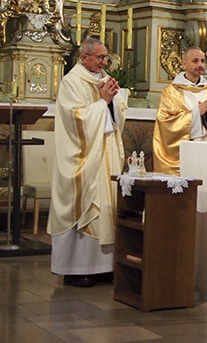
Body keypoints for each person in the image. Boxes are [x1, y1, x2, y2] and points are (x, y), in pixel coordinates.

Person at [47, 37, 127, 288]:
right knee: (84, 204)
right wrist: (103, 102)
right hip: (82, 157)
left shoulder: (103, 80)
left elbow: (118, 117)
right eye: (100, 57)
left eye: (105, 57)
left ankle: (103, 267)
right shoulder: (72, 82)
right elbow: (75, 119)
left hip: (106, 154)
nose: (105, 62)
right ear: (84, 58)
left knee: (106, 205)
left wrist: (113, 102)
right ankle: (75, 269)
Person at [153, 46, 207, 175]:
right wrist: (196, 113)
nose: (200, 65)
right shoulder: (171, 92)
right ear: (184, 64)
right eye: (195, 61)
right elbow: (165, 123)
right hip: (183, 154)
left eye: (202, 61)